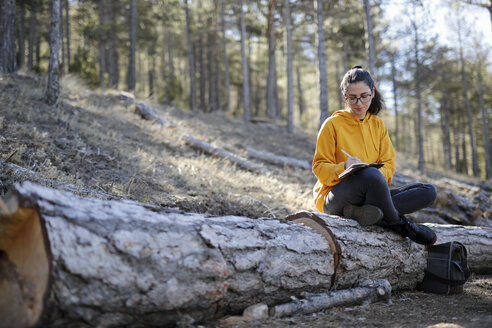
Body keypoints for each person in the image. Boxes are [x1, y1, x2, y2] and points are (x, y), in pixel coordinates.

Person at [312, 65, 437, 246]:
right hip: (334, 197)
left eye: (364, 97)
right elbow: (319, 167)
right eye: (352, 98)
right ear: (344, 97)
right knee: (368, 174)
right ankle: (401, 224)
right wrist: (345, 167)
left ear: (372, 92)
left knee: (428, 192)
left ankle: (362, 212)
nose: (359, 104)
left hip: (372, 194)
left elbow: (388, 164)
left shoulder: (378, 126)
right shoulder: (332, 124)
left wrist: (375, 175)